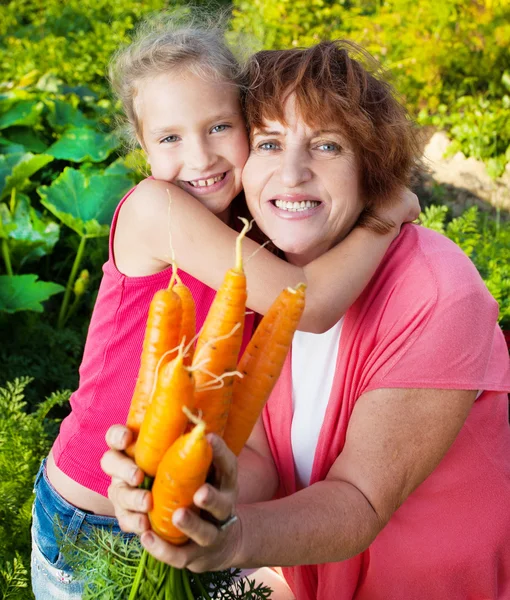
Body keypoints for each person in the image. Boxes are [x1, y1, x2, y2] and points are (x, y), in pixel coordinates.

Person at [103, 41, 510, 600]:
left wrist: (233, 538)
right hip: (301, 574)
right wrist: (184, 497)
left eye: (327, 146)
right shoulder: (260, 267)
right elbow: (264, 457)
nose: (292, 174)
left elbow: (359, 501)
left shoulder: (437, 291)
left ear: (372, 166)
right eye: (269, 142)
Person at [30, 18, 419, 600]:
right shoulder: (153, 207)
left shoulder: (253, 225)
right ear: (141, 147)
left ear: (247, 124)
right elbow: (304, 306)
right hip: (95, 518)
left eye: (219, 127)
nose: (200, 157)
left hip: (191, 501)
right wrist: (385, 217)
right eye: (169, 139)